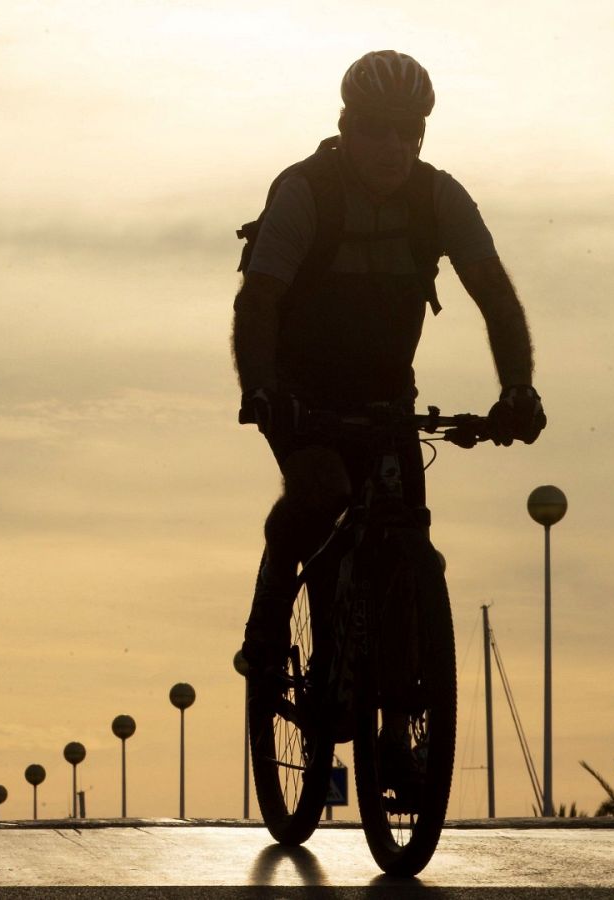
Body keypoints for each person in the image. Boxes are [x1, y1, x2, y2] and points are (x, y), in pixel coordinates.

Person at [231, 50, 545, 673]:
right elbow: (258, 300)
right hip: (299, 386)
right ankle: (267, 621)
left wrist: (518, 390)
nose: (393, 147)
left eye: (410, 131)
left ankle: (402, 703)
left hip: (384, 394)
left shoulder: (440, 198)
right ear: (346, 127)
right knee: (320, 489)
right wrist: (263, 389)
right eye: (377, 128)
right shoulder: (306, 193)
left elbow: (496, 297)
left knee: (409, 533)